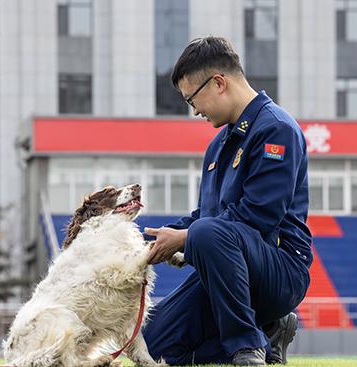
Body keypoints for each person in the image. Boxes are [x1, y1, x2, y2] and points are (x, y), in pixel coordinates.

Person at [142, 36, 313, 366]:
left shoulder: (275, 129)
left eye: (193, 99)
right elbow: (204, 216)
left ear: (219, 82)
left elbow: (257, 218)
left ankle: (246, 348)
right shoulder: (219, 145)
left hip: (278, 272)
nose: (195, 112)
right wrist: (152, 241)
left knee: (206, 232)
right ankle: (270, 331)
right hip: (227, 273)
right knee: (152, 344)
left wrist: (188, 238)